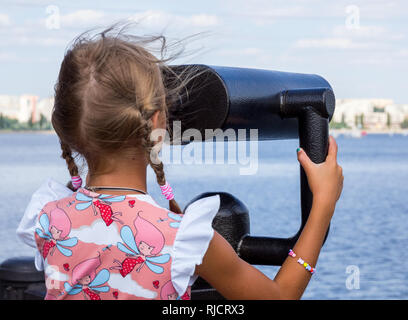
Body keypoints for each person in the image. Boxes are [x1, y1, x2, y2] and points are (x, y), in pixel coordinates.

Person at [16, 24, 343, 300]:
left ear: (68, 131)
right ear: (158, 122)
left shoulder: (48, 219)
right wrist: (322, 208)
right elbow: (280, 297)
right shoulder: (182, 240)